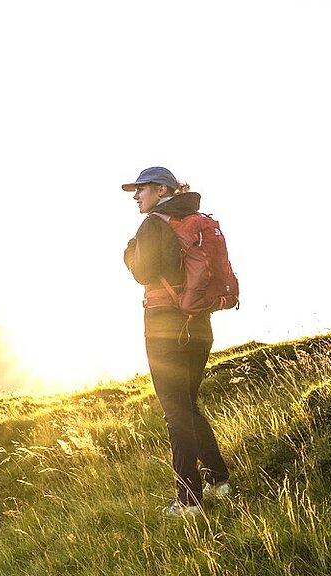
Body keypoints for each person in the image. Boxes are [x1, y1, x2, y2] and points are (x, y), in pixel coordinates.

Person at [120, 166, 231, 518]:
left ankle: (188, 500)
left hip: (165, 327)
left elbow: (143, 273)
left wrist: (130, 250)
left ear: (160, 189)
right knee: (189, 404)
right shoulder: (197, 220)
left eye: (141, 190)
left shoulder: (154, 223)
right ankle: (219, 481)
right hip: (199, 326)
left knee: (176, 411)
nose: (136, 197)